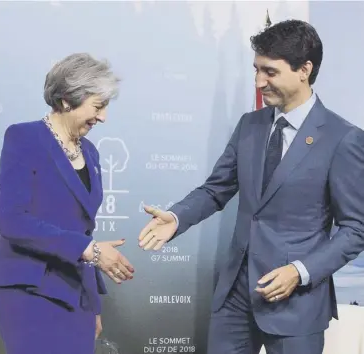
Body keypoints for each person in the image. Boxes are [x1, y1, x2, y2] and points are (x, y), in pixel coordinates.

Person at [138, 19, 364, 354]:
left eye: (270, 72)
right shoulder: (250, 125)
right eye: (256, 70)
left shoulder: (342, 138)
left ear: (304, 69)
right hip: (234, 298)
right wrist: (176, 217)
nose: (259, 82)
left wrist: (300, 272)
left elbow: (355, 229)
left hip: (294, 303)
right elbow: (216, 190)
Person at [0, 53, 134, 354]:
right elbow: (12, 220)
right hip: (30, 290)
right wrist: (88, 250)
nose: (103, 117)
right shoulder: (24, 137)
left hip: (76, 294)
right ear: (68, 99)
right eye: (98, 106)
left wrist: (93, 303)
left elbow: (83, 228)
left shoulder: (92, 153)